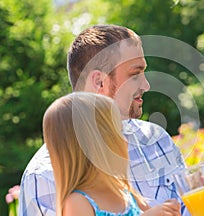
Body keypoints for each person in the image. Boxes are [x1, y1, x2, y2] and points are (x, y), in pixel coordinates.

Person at [19, 24, 187, 215]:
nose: (146, 85)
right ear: (99, 82)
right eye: (135, 74)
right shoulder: (43, 178)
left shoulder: (156, 140)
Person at [43, 92, 181, 216]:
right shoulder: (77, 202)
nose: (126, 140)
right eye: (119, 131)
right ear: (95, 146)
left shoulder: (124, 192)